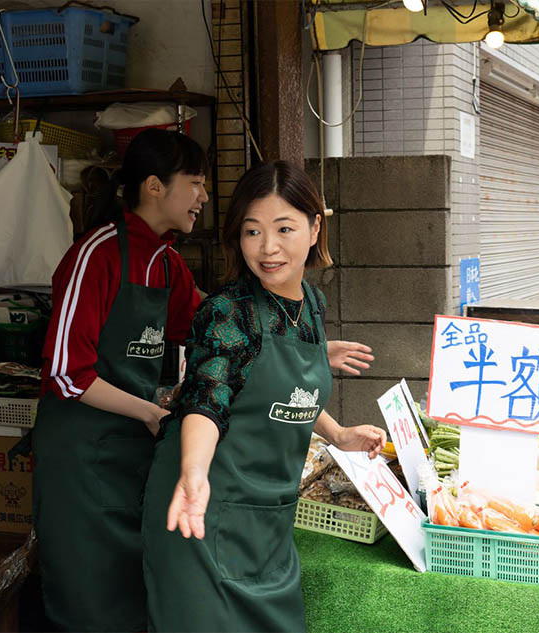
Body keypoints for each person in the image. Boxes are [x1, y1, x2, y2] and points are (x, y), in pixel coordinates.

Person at [142, 160, 386, 633]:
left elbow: (291, 394)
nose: (268, 248)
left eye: (284, 229)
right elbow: (207, 400)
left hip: (267, 521)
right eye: (252, 231)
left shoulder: (311, 308)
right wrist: (193, 472)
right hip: (201, 512)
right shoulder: (226, 313)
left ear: (315, 228)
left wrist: (337, 433)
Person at [33, 128, 208, 631]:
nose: (202, 197)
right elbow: (67, 373)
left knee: (134, 599)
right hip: (81, 463)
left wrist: (298, 345)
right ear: (154, 186)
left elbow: (207, 331)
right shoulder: (97, 255)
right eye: (194, 182)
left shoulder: (168, 263)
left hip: (133, 458)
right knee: (90, 602)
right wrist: (150, 411)